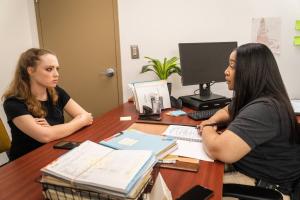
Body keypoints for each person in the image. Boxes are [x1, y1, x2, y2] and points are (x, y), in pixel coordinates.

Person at [199, 43, 300, 200]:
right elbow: (227, 110)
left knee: (198, 186)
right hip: (251, 171)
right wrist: (213, 120)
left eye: (232, 66)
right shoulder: (257, 96)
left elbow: (218, 149)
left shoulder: (264, 109)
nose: (226, 72)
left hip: (266, 188)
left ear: (250, 71)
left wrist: (207, 127)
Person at [2, 48, 93, 161]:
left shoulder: (56, 91)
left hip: (55, 151)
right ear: (30, 71)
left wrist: (53, 130)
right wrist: (78, 122)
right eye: (49, 69)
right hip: (27, 161)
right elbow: (45, 136)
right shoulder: (13, 102)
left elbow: (87, 117)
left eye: (57, 69)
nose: (56, 74)